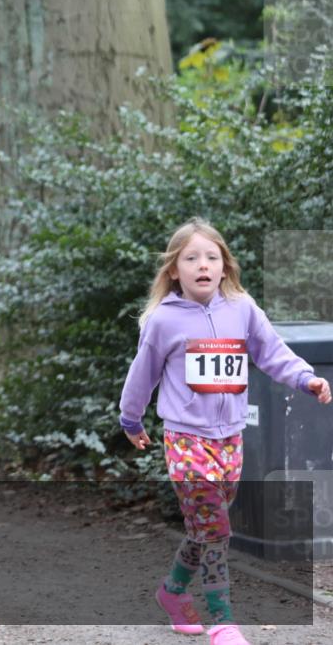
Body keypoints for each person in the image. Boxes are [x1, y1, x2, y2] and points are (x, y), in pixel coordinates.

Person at [118, 218, 331, 645]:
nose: (203, 265)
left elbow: (272, 351)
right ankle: (222, 620)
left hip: (230, 439)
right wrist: (131, 418)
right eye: (191, 258)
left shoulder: (243, 309)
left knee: (205, 527)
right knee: (215, 527)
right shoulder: (163, 320)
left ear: (224, 266)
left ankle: (173, 593)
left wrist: (307, 378)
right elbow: (142, 374)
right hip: (185, 439)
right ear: (174, 270)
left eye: (211, 257)